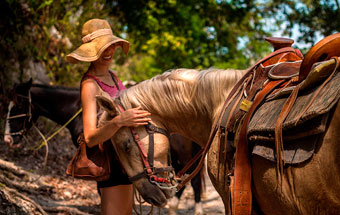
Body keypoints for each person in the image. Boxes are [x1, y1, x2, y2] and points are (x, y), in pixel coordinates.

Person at [66, 18, 151, 215]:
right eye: (102, 47)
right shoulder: (90, 85)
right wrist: (121, 120)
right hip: (110, 161)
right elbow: (90, 137)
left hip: (124, 157)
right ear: (90, 52)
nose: (109, 51)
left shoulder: (113, 76)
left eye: (111, 45)